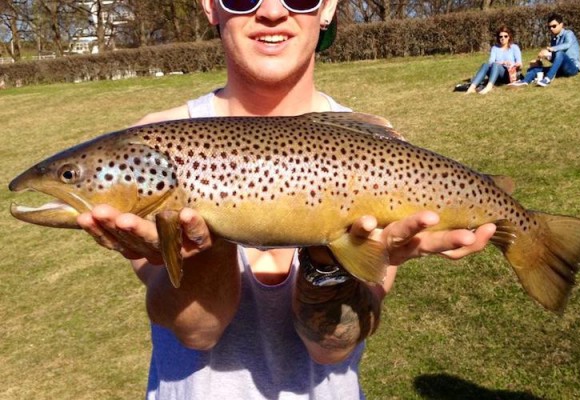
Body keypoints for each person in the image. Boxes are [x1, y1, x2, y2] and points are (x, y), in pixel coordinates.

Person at [76, 0, 496, 398]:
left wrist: (333, 262)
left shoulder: (378, 148)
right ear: (209, 5)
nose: (273, 11)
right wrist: (201, 243)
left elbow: (332, 348)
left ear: (328, 6)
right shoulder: (150, 141)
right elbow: (197, 332)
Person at [509, 13, 580, 87]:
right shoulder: (554, 39)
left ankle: (548, 79)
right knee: (535, 69)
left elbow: (567, 45)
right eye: (549, 27)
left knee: (560, 53)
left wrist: (552, 49)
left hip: (572, 68)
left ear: (561, 25)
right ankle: (525, 81)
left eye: (554, 26)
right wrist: (544, 58)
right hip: (560, 69)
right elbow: (556, 60)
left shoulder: (568, 34)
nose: (551, 29)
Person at [466, 25, 522, 95]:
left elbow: (519, 63)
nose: (503, 38)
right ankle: (472, 87)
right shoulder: (495, 48)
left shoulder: (514, 47)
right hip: (495, 72)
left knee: (496, 64)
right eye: (501, 36)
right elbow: (491, 62)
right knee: (485, 65)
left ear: (509, 37)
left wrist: (512, 64)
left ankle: (489, 87)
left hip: (508, 74)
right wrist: (503, 62)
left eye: (505, 36)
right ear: (498, 38)